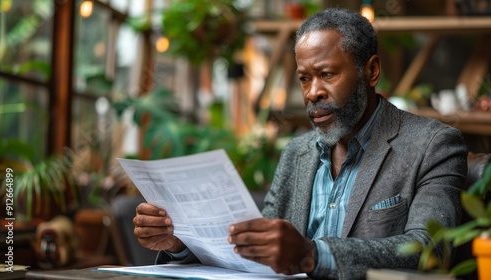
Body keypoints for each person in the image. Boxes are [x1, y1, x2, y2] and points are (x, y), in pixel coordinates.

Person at [133, 8, 468, 279]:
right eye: (304, 78)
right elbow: (254, 250)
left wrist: (311, 255)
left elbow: (430, 250)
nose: (312, 93)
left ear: (372, 71)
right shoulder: (297, 153)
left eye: (327, 74)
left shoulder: (433, 145)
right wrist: (180, 244)